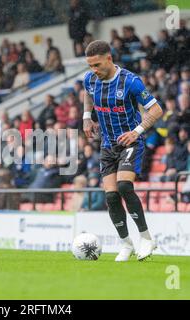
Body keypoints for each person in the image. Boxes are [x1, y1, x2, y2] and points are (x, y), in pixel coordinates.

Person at [83, 40, 163, 262]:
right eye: (90, 66)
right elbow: (87, 93)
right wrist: (86, 117)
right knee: (111, 196)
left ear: (109, 58)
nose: (94, 70)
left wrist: (136, 132)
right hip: (107, 144)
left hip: (130, 141)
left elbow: (156, 109)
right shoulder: (90, 79)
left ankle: (146, 238)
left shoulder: (130, 81)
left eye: (97, 65)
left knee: (124, 185)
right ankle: (126, 244)